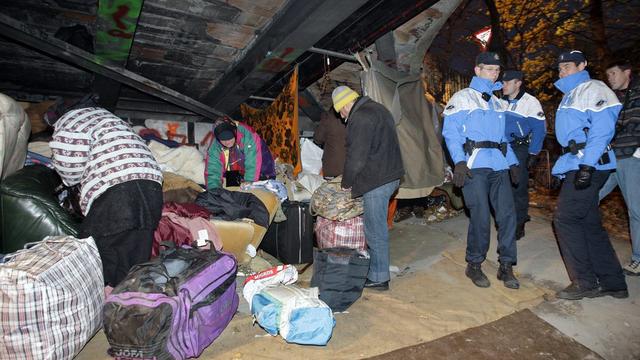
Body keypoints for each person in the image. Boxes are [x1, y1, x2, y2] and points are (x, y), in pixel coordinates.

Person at [48, 102, 163, 294]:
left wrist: (69, 182)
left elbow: (70, 168)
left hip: (117, 188)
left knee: (95, 250)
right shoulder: (109, 119)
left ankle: (99, 303)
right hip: (151, 183)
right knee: (134, 255)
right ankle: (127, 304)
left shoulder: (69, 122)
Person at [551, 50, 628, 300]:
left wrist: (587, 166)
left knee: (565, 219)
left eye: (568, 66)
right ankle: (613, 282)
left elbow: (602, 130)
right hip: (578, 162)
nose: (562, 71)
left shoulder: (594, 88)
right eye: (560, 67)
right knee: (588, 223)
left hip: (590, 163)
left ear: (583, 65)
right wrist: (561, 168)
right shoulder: (570, 95)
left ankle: (585, 281)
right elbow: (572, 139)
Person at [442, 52, 520, 289]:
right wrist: (459, 162)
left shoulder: (497, 102)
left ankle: (506, 265)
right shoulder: (462, 98)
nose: (493, 74)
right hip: (474, 166)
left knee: (507, 216)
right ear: (477, 70)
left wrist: (514, 162)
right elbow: (451, 133)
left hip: (499, 164)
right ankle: (474, 264)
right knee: (480, 216)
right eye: (489, 69)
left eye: (497, 70)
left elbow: (503, 138)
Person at [332, 85, 404, 291]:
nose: (343, 117)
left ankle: (379, 277)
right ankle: (377, 266)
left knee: (374, 229)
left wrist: (346, 184)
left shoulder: (361, 117)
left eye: (341, 112)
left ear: (345, 104)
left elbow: (356, 157)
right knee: (377, 226)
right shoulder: (378, 108)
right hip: (391, 175)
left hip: (377, 180)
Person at [599, 59, 640, 276]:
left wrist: (637, 152)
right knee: (589, 197)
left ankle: (638, 259)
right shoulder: (614, 99)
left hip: (631, 158)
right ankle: (589, 240)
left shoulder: (637, 93)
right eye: (608, 75)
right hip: (612, 158)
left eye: (614, 73)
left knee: (636, 210)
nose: (610, 78)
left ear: (627, 72)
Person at [501, 70, 546, 239]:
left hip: (519, 149)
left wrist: (533, 153)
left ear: (518, 83)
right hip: (502, 148)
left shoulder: (530, 102)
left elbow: (539, 129)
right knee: (503, 187)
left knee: (518, 186)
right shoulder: (500, 101)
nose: (503, 85)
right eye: (502, 82)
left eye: (507, 82)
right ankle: (507, 219)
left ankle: (519, 223)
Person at [206, 118, 275, 189]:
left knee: (253, 190)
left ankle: (265, 178)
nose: (227, 142)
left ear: (234, 131)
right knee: (229, 188)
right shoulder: (215, 146)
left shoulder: (247, 135)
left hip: (261, 169)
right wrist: (213, 191)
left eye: (229, 137)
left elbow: (253, 161)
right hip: (240, 171)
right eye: (223, 139)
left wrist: (249, 181)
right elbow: (213, 170)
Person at [313, 110, 347, 178]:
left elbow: (317, 139)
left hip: (332, 169)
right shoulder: (356, 117)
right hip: (350, 168)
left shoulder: (328, 117)